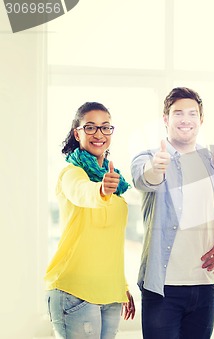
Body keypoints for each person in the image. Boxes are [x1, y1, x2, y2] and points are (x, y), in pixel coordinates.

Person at [131, 87, 214, 339]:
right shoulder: (147, 157)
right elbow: (144, 179)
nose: (185, 119)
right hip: (163, 287)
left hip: (205, 284)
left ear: (201, 120)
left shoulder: (213, 161)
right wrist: (156, 168)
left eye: (192, 114)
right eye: (177, 113)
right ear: (165, 119)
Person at [45, 102, 135, 339]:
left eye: (105, 127)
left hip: (109, 293)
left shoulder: (114, 179)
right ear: (78, 133)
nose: (99, 134)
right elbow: (82, 192)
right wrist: (101, 191)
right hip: (74, 292)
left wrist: (122, 286)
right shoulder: (71, 173)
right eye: (91, 127)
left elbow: (107, 243)